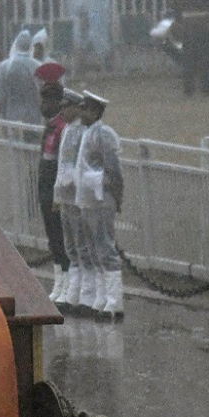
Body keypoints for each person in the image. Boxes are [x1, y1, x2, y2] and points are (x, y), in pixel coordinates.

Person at [74, 92, 125, 320]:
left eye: (85, 109)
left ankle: (114, 302)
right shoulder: (86, 133)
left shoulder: (103, 134)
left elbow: (114, 170)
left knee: (105, 248)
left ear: (95, 112)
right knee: (94, 249)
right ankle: (102, 298)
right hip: (87, 198)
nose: (81, 113)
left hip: (101, 197)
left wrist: (117, 196)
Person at [34, 65, 72, 303]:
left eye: (46, 101)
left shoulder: (62, 128)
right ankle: (59, 281)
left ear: (55, 102)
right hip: (45, 180)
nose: (42, 106)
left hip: (55, 180)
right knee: (52, 233)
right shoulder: (49, 126)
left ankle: (66, 283)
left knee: (60, 234)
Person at [52, 89, 88, 315]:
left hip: (77, 195)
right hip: (65, 195)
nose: (61, 111)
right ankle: (74, 294)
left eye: (65, 107)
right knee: (71, 247)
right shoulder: (67, 130)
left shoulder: (83, 131)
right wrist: (57, 195)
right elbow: (61, 165)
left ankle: (84, 295)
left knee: (82, 245)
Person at [0, 29, 43, 127]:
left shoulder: (5, 66)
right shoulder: (38, 67)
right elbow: (43, 95)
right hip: (34, 119)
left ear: (16, 45)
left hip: (11, 119)